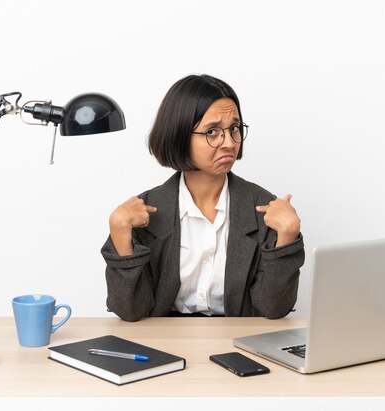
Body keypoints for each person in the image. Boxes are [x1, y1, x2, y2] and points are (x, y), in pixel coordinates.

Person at [101, 74, 304, 322]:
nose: (229, 142)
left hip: (238, 343)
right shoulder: (144, 213)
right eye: (212, 131)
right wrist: (119, 233)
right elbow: (130, 311)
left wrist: (287, 238)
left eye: (235, 128)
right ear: (178, 135)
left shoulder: (264, 209)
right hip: (162, 343)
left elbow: (274, 309)